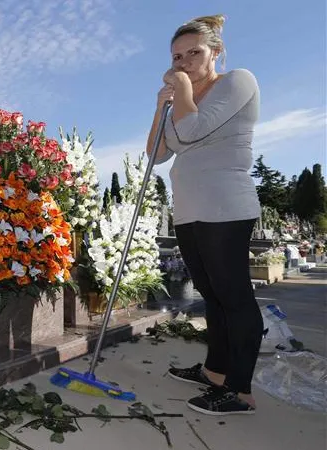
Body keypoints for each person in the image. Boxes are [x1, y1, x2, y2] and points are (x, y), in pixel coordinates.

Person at [146, 14, 263, 416]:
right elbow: (158, 154)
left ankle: (241, 390)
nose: (184, 62)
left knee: (234, 297)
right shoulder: (183, 100)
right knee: (211, 297)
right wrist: (161, 106)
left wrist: (179, 89)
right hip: (190, 209)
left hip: (225, 205)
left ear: (216, 52)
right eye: (177, 56)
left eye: (193, 52)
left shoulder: (236, 82)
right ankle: (215, 372)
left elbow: (194, 131)